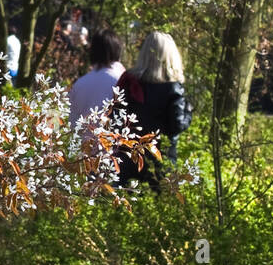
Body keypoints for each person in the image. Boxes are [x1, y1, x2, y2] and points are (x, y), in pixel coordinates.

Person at [111, 30, 192, 187]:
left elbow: (116, 117)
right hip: (161, 161)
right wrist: (188, 112)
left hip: (130, 157)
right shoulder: (172, 88)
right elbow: (176, 126)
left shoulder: (129, 83)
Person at [68, 27, 126, 134]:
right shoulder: (122, 80)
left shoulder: (80, 83)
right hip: (114, 146)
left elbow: (71, 121)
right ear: (117, 50)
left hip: (83, 146)